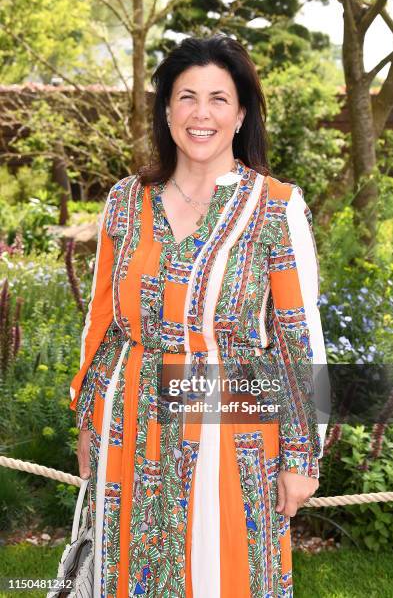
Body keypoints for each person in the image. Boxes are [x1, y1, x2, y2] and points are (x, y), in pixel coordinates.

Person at [70, 34, 329, 597]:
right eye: (186, 97)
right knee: (127, 573)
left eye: (218, 98)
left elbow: (296, 339)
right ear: (167, 111)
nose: (201, 113)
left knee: (224, 572)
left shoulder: (276, 207)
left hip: (228, 423)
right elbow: (103, 321)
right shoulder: (125, 201)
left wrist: (302, 455)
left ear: (241, 114)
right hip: (128, 420)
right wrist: (89, 412)